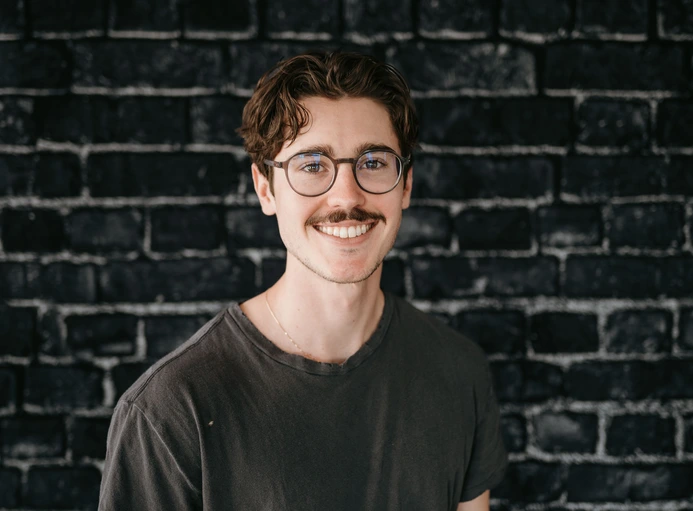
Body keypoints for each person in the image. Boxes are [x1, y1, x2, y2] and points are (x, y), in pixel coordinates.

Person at [99, 50, 507, 510]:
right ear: (265, 189)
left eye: (373, 162)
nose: (347, 196)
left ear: (405, 184)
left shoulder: (459, 371)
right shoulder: (169, 411)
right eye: (313, 165)